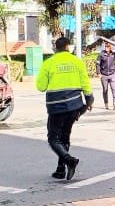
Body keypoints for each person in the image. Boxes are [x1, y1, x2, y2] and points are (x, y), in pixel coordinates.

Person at [35, 37, 94, 180]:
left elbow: (40, 87)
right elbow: (85, 83)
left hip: (56, 108)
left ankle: (69, 161)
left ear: (56, 48)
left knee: (53, 139)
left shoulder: (48, 63)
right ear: (68, 47)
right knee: (65, 137)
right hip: (74, 106)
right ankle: (60, 169)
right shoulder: (77, 61)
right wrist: (89, 99)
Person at [96, 42, 115, 110]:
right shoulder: (101, 54)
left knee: (114, 89)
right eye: (106, 46)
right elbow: (97, 64)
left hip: (112, 74)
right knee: (105, 90)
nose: (107, 48)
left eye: (108, 46)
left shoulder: (113, 54)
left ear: (110, 47)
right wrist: (98, 73)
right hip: (104, 75)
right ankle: (106, 104)